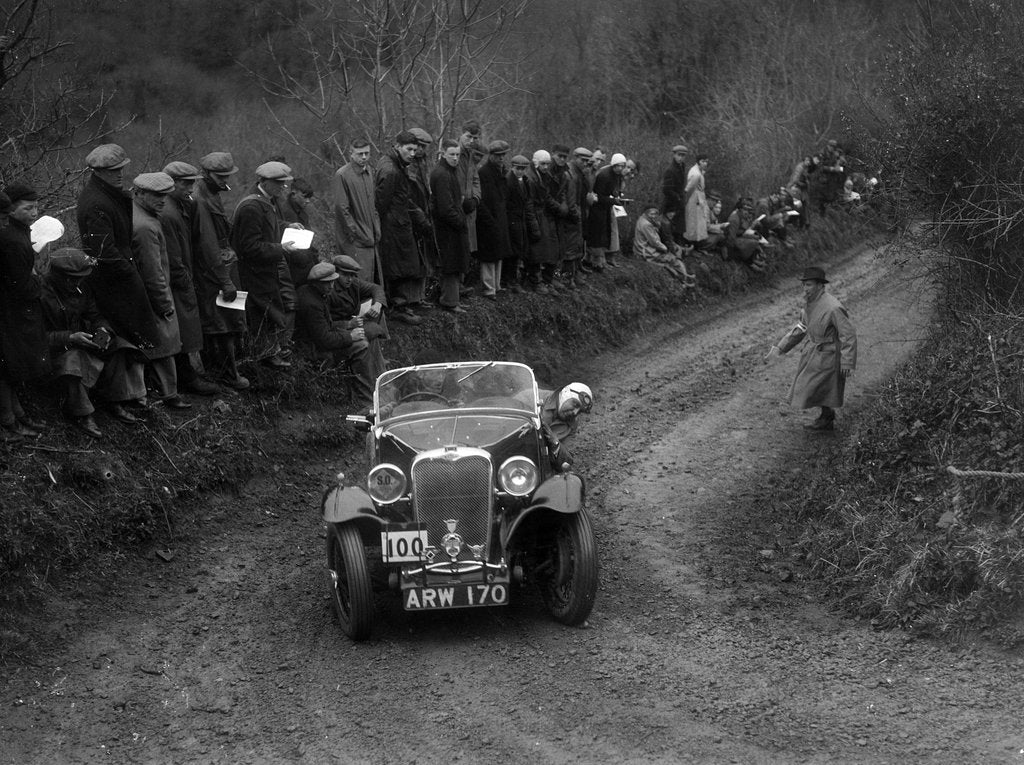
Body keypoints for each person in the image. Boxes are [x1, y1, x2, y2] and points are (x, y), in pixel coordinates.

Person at [40, 248, 149, 437]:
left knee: (118, 345)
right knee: (72, 361)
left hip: (81, 341)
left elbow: (95, 315)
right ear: (59, 276)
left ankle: (114, 400)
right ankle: (83, 414)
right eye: (73, 279)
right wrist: (69, 338)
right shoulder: (41, 294)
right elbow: (35, 338)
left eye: (80, 279)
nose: (77, 283)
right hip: (55, 352)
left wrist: (102, 331)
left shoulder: (81, 288)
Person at [77, 143, 161, 350]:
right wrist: (130, 272)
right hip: (114, 284)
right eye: (113, 170)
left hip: (121, 279)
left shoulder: (108, 195)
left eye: (121, 168)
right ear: (98, 172)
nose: (120, 174)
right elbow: (104, 252)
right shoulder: (97, 203)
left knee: (136, 341)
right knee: (127, 344)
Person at [766, 266, 857, 431]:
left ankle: (826, 417)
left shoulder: (833, 307)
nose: (805, 289)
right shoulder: (808, 305)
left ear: (820, 286)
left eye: (809, 285)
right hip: (813, 352)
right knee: (813, 386)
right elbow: (801, 328)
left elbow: (848, 335)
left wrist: (847, 362)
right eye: (804, 285)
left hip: (829, 354)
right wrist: (780, 348)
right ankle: (826, 415)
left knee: (815, 386)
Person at [231, 160, 302, 368]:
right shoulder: (252, 206)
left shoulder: (267, 199)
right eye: (279, 183)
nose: (284, 187)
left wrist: (287, 226)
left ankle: (271, 351)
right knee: (261, 313)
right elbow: (249, 247)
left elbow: (267, 228)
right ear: (264, 181)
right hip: (254, 272)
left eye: (284, 183)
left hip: (265, 269)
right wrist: (281, 249)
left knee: (269, 310)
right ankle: (264, 356)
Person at [160, 161, 220, 396]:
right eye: (185, 184)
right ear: (170, 183)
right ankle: (187, 378)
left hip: (184, 275)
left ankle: (188, 375)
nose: (190, 189)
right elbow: (174, 257)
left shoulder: (180, 205)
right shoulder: (168, 213)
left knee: (185, 330)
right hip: (177, 280)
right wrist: (186, 281)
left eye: (192, 183)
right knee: (182, 329)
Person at [132, 172, 190, 410]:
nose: (162, 200)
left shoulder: (140, 213)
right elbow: (153, 271)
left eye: (164, 195)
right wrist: (164, 303)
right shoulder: (145, 226)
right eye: (156, 195)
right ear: (140, 193)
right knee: (163, 344)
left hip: (144, 294)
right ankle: (168, 395)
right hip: (152, 294)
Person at [193, 151, 249, 390]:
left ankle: (226, 370)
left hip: (221, 268)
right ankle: (227, 374)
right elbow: (208, 245)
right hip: (213, 274)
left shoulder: (211, 194)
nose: (225, 179)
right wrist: (225, 281)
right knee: (221, 324)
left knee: (227, 321)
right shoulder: (201, 200)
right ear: (205, 174)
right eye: (219, 175)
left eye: (227, 175)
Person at [0, 184, 49, 440]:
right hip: (13, 313)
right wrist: (38, 280)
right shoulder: (13, 240)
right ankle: (10, 419)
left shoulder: (17, 235)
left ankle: (16, 415)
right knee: (10, 366)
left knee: (12, 367)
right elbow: (22, 286)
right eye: (28, 208)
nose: (34, 212)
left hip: (14, 311)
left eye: (36, 207)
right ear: (12, 209)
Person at [295, 262, 373, 408]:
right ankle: (366, 400)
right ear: (316, 283)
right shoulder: (312, 303)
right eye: (326, 283)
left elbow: (326, 326)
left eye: (332, 282)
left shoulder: (313, 293)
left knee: (363, 336)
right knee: (361, 345)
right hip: (311, 349)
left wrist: (347, 326)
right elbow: (324, 340)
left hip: (314, 341)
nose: (331, 286)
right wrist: (350, 337)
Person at [376, 130, 428, 325]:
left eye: (415, 150)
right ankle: (397, 308)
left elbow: (402, 198)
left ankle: (399, 305)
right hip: (392, 228)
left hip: (399, 224)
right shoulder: (390, 169)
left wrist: (417, 214)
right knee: (397, 268)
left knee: (403, 267)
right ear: (397, 147)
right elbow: (381, 203)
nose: (412, 153)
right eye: (409, 149)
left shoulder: (397, 165)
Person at [326, 254, 389, 384]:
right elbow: (323, 325)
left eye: (352, 275)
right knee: (368, 336)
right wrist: (348, 324)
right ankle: (374, 377)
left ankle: (380, 370)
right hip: (338, 333)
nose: (350, 279)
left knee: (375, 324)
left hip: (354, 324)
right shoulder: (329, 290)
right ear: (336, 272)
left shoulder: (354, 283)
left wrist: (377, 305)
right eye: (345, 275)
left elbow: (376, 288)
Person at [429, 139, 472, 314]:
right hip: (447, 228)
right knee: (450, 264)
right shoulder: (442, 174)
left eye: (457, 155)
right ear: (443, 154)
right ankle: (449, 301)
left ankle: (454, 299)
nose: (455, 158)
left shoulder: (449, 172)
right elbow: (445, 208)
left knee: (454, 263)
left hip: (452, 226)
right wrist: (460, 221)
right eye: (451, 154)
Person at [333, 138, 382, 284]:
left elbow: (373, 205)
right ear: (351, 154)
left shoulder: (369, 172)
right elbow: (342, 209)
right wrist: (356, 232)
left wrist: (377, 227)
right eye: (360, 154)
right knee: (358, 276)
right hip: (355, 238)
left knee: (372, 276)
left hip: (371, 234)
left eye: (367, 153)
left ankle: (375, 306)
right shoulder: (342, 175)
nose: (364, 157)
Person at [475, 140, 512, 300]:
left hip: (499, 218)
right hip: (488, 219)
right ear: (491, 156)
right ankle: (488, 288)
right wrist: (489, 219)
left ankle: (496, 286)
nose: (501, 158)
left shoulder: (501, 172)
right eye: (498, 155)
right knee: (489, 255)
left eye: (503, 155)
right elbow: (482, 200)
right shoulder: (484, 172)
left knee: (499, 253)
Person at [525, 149, 562, 294]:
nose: (546, 167)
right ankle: (535, 281)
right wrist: (533, 224)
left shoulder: (544, 176)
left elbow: (546, 197)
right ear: (535, 163)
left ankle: (547, 280)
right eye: (543, 164)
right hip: (535, 215)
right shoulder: (531, 178)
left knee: (552, 247)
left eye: (547, 164)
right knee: (536, 250)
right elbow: (530, 203)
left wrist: (559, 208)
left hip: (544, 215)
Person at [584, 153, 628, 272]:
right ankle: (595, 262)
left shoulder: (616, 175)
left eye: (622, 166)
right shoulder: (604, 175)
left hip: (605, 208)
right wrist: (614, 200)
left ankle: (593, 260)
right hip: (596, 209)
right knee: (597, 236)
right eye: (618, 166)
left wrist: (618, 197)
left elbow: (613, 191)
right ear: (613, 165)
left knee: (603, 234)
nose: (620, 168)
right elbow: (599, 195)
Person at [633, 205, 696, 285]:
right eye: (651, 214)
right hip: (646, 251)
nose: (654, 216)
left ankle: (684, 276)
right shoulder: (646, 225)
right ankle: (683, 279)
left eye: (655, 213)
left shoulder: (643, 220)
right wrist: (665, 248)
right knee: (672, 258)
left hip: (643, 249)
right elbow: (654, 242)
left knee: (671, 258)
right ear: (646, 213)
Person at [551, 143, 584, 290]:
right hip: (558, 213)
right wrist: (570, 210)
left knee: (567, 248)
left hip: (563, 212)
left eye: (565, 157)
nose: (562, 159)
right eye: (560, 156)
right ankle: (560, 278)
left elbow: (565, 194)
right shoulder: (564, 173)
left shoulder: (567, 172)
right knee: (563, 249)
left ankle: (566, 278)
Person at [504, 154, 536, 294]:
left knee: (520, 249)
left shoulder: (525, 181)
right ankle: (510, 281)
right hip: (511, 220)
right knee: (512, 251)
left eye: (523, 169)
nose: (521, 171)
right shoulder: (508, 181)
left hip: (520, 219)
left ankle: (514, 279)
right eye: (518, 168)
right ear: (512, 167)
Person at [457, 120, 483, 260]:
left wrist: (475, 199)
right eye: (468, 137)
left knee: (467, 248)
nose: (471, 141)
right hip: (457, 208)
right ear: (461, 135)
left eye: (475, 138)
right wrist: (462, 200)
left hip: (469, 208)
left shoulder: (471, 156)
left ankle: (464, 281)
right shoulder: (453, 154)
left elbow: (475, 179)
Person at [725, 197, 767, 272]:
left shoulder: (739, 217)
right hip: (730, 244)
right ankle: (749, 262)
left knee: (756, 238)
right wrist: (730, 255)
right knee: (752, 242)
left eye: (748, 210)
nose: (746, 213)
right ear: (740, 209)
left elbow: (740, 232)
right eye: (745, 210)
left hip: (736, 237)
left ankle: (752, 259)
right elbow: (731, 239)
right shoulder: (735, 219)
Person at [661, 144, 689, 242]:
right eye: (679, 155)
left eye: (683, 156)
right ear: (674, 155)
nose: (681, 158)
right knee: (670, 227)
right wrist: (677, 198)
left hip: (679, 202)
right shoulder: (670, 170)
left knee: (679, 227)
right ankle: (673, 248)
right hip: (671, 203)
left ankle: (680, 248)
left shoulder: (682, 167)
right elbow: (666, 190)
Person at [684, 154, 709, 245]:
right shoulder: (696, 173)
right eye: (703, 161)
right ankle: (690, 243)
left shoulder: (700, 171)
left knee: (698, 223)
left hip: (699, 198)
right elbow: (689, 188)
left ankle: (696, 244)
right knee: (693, 222)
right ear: (698, 161)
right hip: (694, 199)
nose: (705, 163)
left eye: (706, 161)